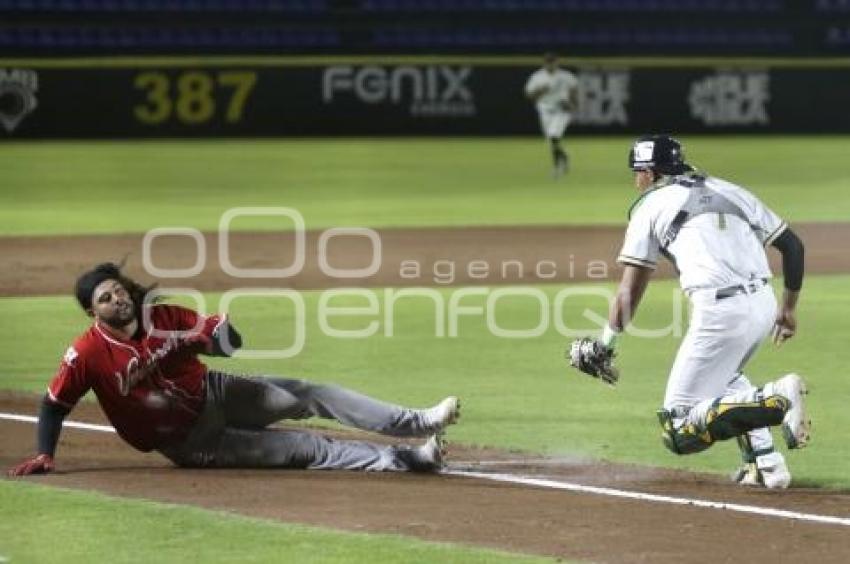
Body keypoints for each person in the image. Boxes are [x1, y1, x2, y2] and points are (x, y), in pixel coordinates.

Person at [8, 262, 460, 476]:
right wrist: (47, 453)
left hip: (217, 392)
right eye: (105, 298)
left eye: (118, 290)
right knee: (306, 448)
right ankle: (409, 459)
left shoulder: (164, 317)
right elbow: (53, 405)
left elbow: (227, 344)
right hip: (190, 441)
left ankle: (417, 421)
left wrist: (220, 333)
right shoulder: (85, 354)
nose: (117, 299)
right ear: (93, 312)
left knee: (307, 392)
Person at [570, 135, 810, 489]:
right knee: (725, 377)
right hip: (764, 303)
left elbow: (629, 290)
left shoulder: (649, 206)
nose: (635, 181)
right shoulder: (731, 189)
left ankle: (778, 399)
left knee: (679, 428)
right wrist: (787, 309)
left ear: (650, 173)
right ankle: (767, 465)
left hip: (722, 311)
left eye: (637, 173)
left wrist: (606, 342)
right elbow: (793, 247)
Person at [524, 52, 580, 178]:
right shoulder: (538, 77)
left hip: (561, 109)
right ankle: (564, 156)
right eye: (548, 62)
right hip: (544, 109)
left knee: (554, 136)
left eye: (553, 62)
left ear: (557, 62)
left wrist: (574, 104)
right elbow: (528, 94)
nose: (551, 64)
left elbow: (574, 88)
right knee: (551, 141)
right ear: (545, 63)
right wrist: (540, 91)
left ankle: (556, 168)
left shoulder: (565, 76)